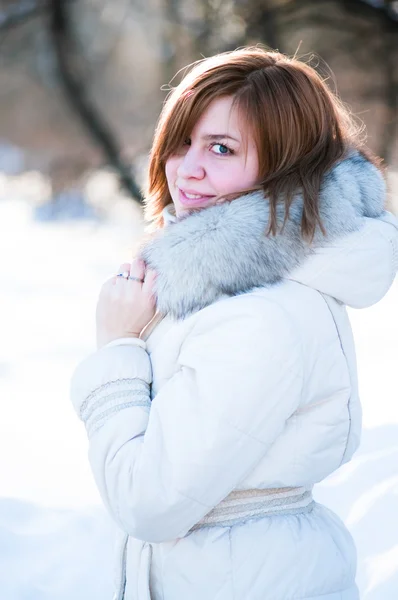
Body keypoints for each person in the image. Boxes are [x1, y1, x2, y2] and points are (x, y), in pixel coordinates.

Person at [70, 47, 398, 600]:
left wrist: (120, 350)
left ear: (284, 165)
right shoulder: (223, 290)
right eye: (182, 141)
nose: (187, 168)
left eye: (221, 148)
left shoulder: (259, 315)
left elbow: (149, 504)